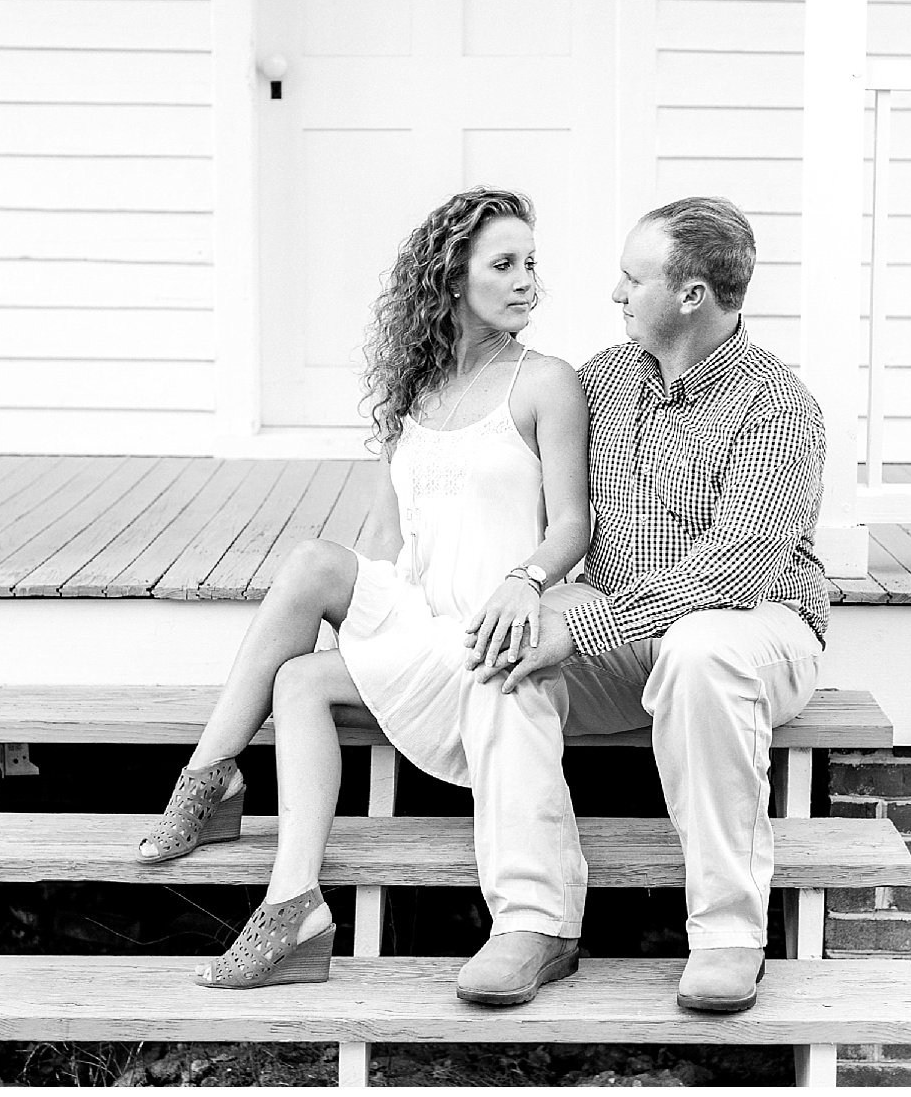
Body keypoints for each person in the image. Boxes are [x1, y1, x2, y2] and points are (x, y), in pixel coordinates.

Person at [133, 187, 591, 990]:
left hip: (489, 633)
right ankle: (288, 895)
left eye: (531, 264)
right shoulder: (416, 392)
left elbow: (572, 525)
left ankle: (213, 790)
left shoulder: (545, 381)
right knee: (309, 602)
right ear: (452, 279)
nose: (528, 282)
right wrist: (371, 641)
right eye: (505, 264)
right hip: (418, 617)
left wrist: (528, 579)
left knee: (301, 676)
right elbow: (385, 539)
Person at [457, 195, 829, 1013]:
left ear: (690, 294)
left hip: (758, 631)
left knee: (699, 647)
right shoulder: (602, 380)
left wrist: (582, 618)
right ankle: (536, 922)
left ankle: (730, 935)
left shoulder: (777, 405)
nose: (615, 292)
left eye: (633, 277)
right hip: (626, 627)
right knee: (503, 658)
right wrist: (527, 592)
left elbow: (732, 573)